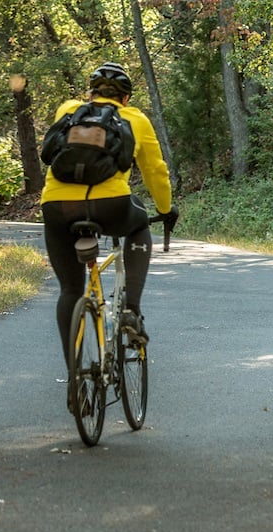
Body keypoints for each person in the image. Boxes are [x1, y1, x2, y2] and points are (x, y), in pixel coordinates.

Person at [40, 62, 177, 362]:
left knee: (70, 290)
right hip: (111, 206)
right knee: (140, 223)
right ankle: (131, 310)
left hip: (57, 207)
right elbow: (156, 171)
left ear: (91, 94)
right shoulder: (135, 118)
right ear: (125, 98)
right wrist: (166, 210)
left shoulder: (67, 109)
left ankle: (74, 378)